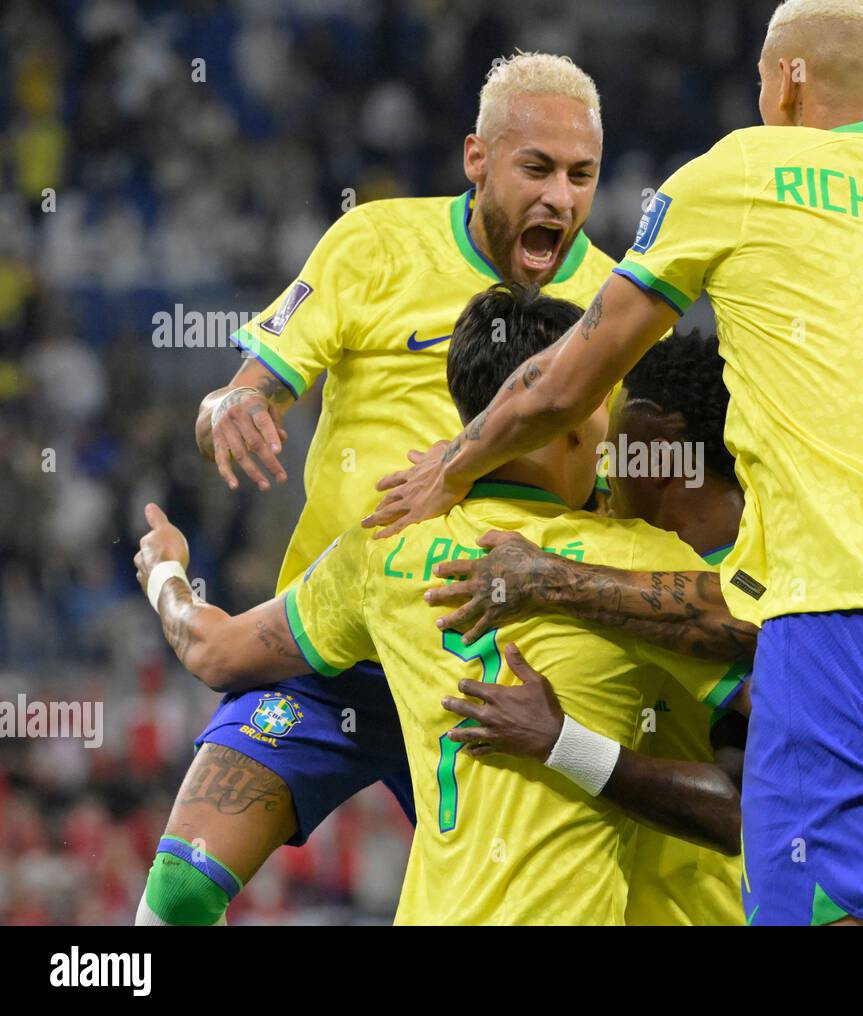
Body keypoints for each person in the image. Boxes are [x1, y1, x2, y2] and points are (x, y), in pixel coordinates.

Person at [361, 0, 863, 926]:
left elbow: (570, 381)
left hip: (849, 617)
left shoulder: (742, 174)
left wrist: (456, 460)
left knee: (837, 910)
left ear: (786, 81)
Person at [138, 52, 620, 926]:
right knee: (177, 889)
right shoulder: (374, 244)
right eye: (537, 169)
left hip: (486, 669)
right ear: (477, 159)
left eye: (582, 175)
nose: (562, 198)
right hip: (330, 638)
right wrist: (235, 404)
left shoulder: (614, 302)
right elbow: (247, 388)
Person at [135, 285, 748, 924]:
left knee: (180, 892)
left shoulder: (384, 549)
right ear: (563, 414)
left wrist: (165, 572)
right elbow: (766, 649)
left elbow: (214, 650)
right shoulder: (641, 557)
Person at [430, 329, 863, 926]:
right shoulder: (771, 545)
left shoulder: (763, 578)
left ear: (660, 443)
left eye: (617, 442)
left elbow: (742, 806)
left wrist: (563, 742)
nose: (602, 463)